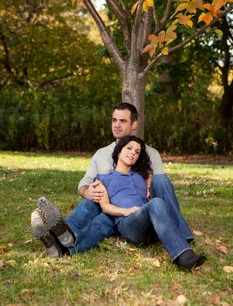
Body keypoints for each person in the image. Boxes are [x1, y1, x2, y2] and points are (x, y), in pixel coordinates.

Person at [31, 102, 193, 256]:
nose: (116, 125)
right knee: (91, 205)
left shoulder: (150, 153)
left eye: (122, 121)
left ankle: (180, 233)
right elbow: (84, 183)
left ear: (134, 124)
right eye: (114, 120)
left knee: (160, 180)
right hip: (107, 209)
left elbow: (160, 187)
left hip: (139, 214)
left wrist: (148, 185)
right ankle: (63, 235)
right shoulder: (101, 153)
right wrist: (89, 192)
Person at [33, 136, 206, 269]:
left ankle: (59, 244)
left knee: (157, 201)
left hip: (152, 224)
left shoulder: (142, 175)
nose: (133, 152)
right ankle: (183, 255)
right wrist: (127, 211)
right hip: (129, 224)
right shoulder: (103, 178)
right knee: (154, 204)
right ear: (119, 150)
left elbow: (154, 185)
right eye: (129, 148)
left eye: (137, 151)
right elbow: (105, 207)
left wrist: (150, 184)